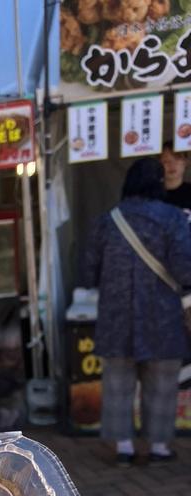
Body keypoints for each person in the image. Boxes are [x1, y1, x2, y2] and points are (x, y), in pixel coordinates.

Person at [83, 157, 191, 466]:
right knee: (162, 384)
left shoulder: (108, 220)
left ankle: (124, 447)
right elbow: (185, 271)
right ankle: (158, 447)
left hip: (116, 319)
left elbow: (88, 270)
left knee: (118, 384)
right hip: (163, 319)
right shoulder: (173, 218)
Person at [159, 143, 191, 219]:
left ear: (186, 162)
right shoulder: (151, 195)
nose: (172, 165)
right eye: (166, 161)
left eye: (177, 159)